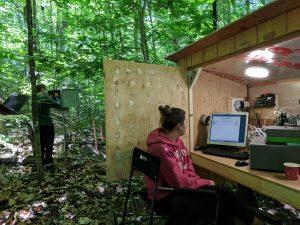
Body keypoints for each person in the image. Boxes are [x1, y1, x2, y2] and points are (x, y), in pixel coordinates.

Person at [145, 105, 262, 225]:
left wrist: (197, 181)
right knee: (223, 195)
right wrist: (204, 183)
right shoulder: (161, 148)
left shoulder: (176, 140)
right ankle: (253, 221)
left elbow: (187, 164)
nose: (186, 124)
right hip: (167, 196)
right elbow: (178, 182)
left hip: (179, 189)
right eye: (185, 121)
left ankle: (243, 220)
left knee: (222, 197)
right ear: (179, 126)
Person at [36, 84, 61, 170]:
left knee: (41, 145)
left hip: (38, 125)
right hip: (48, 124)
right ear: (42, 89)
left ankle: (41, 164)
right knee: (49, 144)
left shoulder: (34, 98)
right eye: (45, 89)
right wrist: (57, 97)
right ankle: (48, 165)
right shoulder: (45, 97)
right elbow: (58, 104)